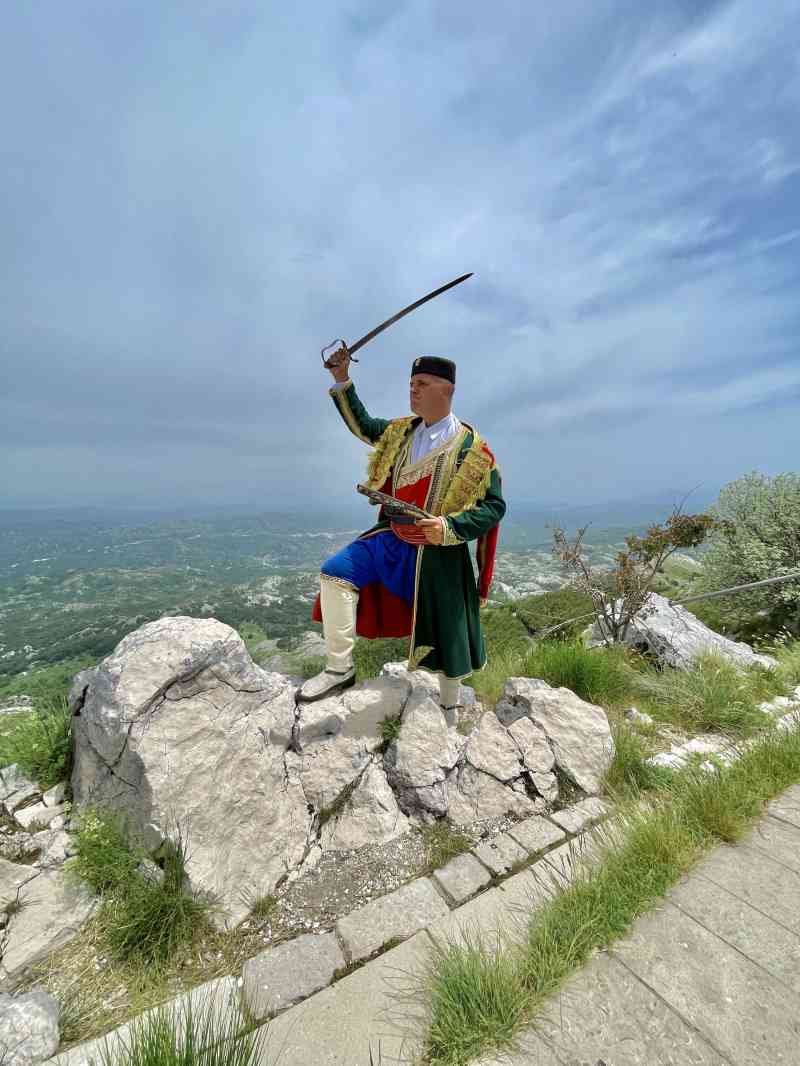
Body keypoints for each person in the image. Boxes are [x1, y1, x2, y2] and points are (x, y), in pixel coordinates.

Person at [297, 349, 506, 710]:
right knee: (335, 573)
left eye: (422, 383)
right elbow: (364, 425)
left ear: (446, 390)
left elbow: (494, 507)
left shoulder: (473, 450)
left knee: (448, 629)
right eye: (411, 383)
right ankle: (339, 669)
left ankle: (450, 706)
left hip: (439, 550)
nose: (413, 390)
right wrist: (342, 378)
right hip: (392, 536)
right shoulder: (401, 432)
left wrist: (448, 527)